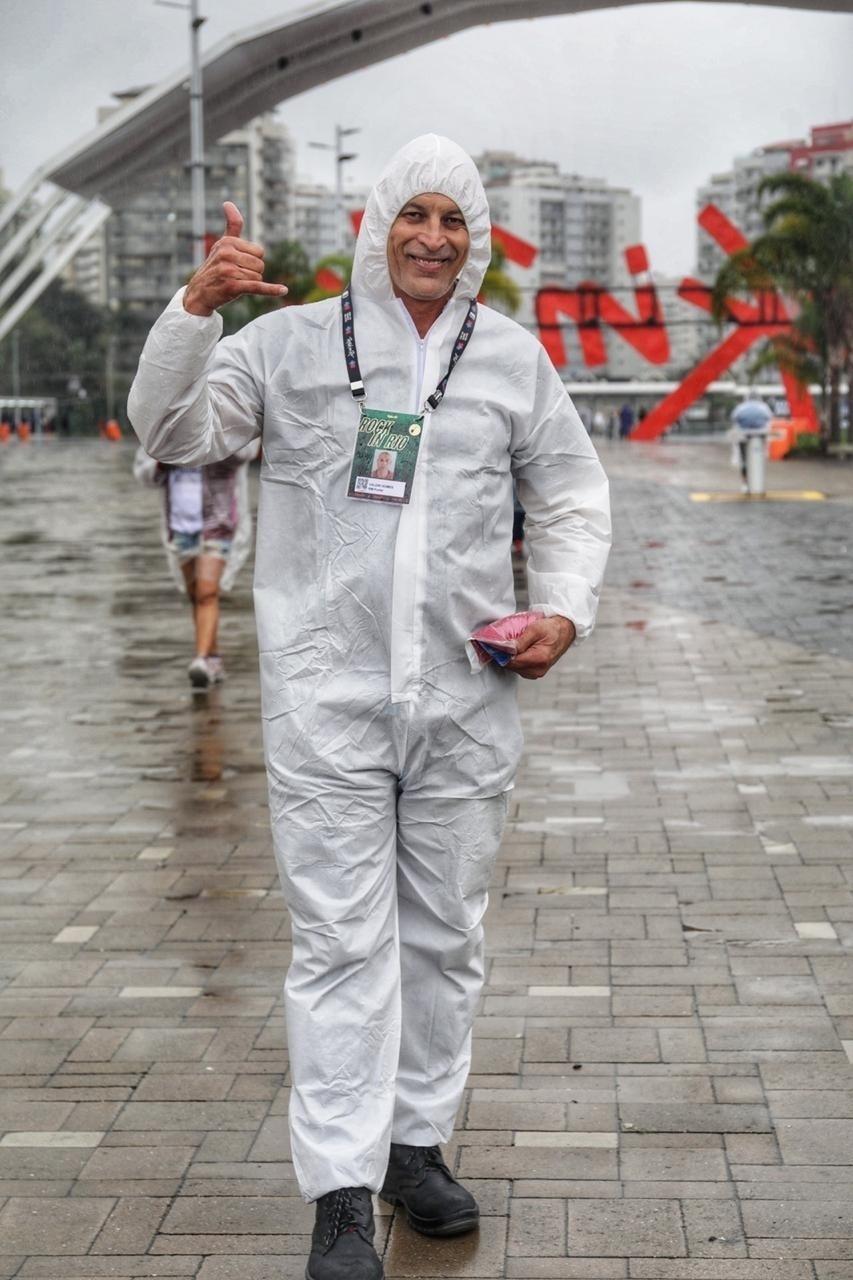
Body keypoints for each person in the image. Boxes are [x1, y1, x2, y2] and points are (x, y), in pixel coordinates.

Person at [128, 134, 611, 1280]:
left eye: (453, 220)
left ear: (474, 240)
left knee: (445, 933)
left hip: (467, 697)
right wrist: (193, 312)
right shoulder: (289, 345)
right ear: (377, 224)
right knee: (342, 941)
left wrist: (565, 608)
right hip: (325, 701)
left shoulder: (510, 358)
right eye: (414, 214)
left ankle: (413, 1142)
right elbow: (172, 432)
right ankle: (341, 1190)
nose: (433, 238)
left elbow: (571, 491)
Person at [133, 446, 255, 687]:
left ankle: (200, 658)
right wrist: (165, 460)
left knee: (207, 593)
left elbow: (245, 453)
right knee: (196, 595)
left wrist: (210, 445)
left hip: (218, 521)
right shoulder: (166, 434)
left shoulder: (223, 427)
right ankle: (213, 657)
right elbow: (145, 473)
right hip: (180, 525)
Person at [730, 390, 772, 490]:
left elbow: (734, 418)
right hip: (761, 435)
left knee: (744, 459)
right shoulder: (764, 407)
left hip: (743, 435)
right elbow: (769, 418)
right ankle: (757, 480)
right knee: (759, 458)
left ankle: (745, 482)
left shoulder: (740, 407)